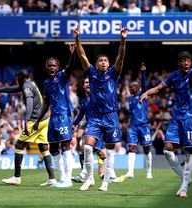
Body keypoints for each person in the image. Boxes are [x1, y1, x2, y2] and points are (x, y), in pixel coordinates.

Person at [140, 51, 192, 198]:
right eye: (183, 60)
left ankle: (184, 188)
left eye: (188, 60)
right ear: (179, 63)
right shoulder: (174, 76)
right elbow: (158, 88)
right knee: (167, 150)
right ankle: (185, 178)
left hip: (191, 118)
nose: (186, 63)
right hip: (177, 117)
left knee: (189, 152)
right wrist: (146, 93)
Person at [73, 24, 127, 191]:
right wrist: (76, 39)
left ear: (108, 64)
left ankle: (105, 182)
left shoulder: (113, 73)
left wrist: (123, 40)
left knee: (109, 152)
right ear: (96, 64)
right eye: (100, 61)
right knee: (87, 146)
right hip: (95, 117)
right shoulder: (92, 73)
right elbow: (82, 55)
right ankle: (89, 178)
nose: (103, 63)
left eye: (105, 61)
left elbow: (121, 57)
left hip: (110, 116)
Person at [0, 70, 56, 186]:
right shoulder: (30, 83)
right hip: (44, 119)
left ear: (19, 77)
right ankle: (52, 178)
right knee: (43, 147)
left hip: (35, 121)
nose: (16, 80)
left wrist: (26, 121)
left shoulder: (27, 87)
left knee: (19, 145)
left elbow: (29, 102)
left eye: (17, 77)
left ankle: (16, 177)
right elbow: (14, 89)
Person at [33, 44, 76, 188]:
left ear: (58, 67)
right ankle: (62, 178)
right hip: (53, 118)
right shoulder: (46, 82)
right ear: (46, 68)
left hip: (64, 115)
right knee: (53, 149)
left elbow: (70, 66)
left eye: (54, 65)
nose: (52, 67)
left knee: (65, 145)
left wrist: (72, 53)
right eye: (50, 66)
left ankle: (68, 179)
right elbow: (46, 103)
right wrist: (38, 121)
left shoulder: (62, 77)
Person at [124, 63, 153, 179]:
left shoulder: (143, 96)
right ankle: (130, 172)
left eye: (134, 87)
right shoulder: (129, 98)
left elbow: (145, 87)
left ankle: (149, 172)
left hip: (144, 126)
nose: (131, 89)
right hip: (133, 127)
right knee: (131, 148)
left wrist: (143, 73)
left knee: (146, 149)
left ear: (139, 88)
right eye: (130, 87)